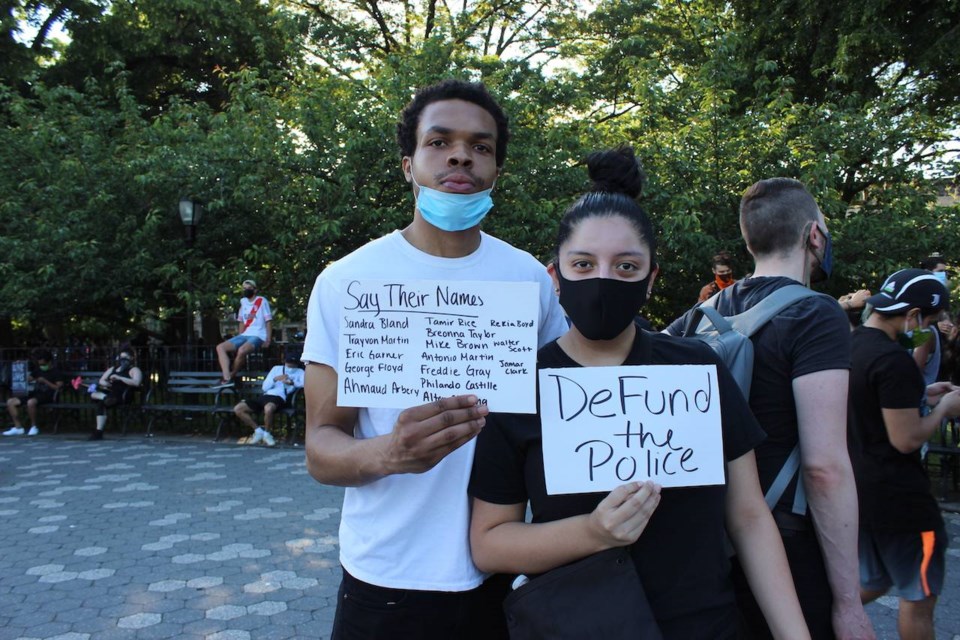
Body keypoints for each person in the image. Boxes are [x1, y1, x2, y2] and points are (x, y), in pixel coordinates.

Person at [469, 147, 809, 639]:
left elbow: (750, 518)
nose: (603, 280)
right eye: (583, 264)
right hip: (579, 626)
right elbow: (490, 542)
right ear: (555, 277)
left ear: (651, 279)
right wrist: (592, 533)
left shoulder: (697, 370)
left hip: (705, 627)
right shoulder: (518, 385)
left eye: (626, 267)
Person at [300, 79, 567, 639]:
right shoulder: (347, 281)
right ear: (408, 165)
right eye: (439, 141)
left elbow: (561, 413)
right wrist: (391, 452)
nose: (461, 155)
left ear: (497, 170)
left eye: (482, 146)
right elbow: (322, 449)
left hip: (505, 574)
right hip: (387, 579)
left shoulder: (529, 282)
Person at [665, 178, 873, 639]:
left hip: (709, 542)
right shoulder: (817, 316)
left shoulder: (698, 316)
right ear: (814, 235)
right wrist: (848, 604)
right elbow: (824, 469)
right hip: (787, 547)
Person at [848, 268, 960, 640]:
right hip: (904, 503)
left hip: (861, 493)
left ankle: (807, 623)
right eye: (928, 320)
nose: (927, 328)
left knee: (874, 579)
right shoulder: (893, 360)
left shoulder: (852, 345)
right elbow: (906, 439)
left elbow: (870, 405)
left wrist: (925, 397)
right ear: (913, 315)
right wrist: (945, 410)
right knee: (919, 596)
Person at [233, 354, 305, 447]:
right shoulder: (276, 369)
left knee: (268, 408)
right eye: (288, 364)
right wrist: (275, 379)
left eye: (293, 365)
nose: (290, 367)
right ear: (285, 362)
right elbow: (265, 387)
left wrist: (292, 382)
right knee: (238, 408)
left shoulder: (300, 372)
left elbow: (304, 384)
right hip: (266, 395)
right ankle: (258, 431)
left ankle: (267, 434)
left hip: (281, 397)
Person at [214, 279, 272, 388]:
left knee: (242, 351)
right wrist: (240, 335)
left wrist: (268, 339)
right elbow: (241, 321)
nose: (246, 290)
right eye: (244, 288)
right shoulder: (243, 302)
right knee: (220, 347)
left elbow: (268, 320)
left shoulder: (261, 301)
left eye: (248, 288)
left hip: (258, 335)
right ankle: (226, 378)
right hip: (245, 334)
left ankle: (231, 376)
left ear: (255, 290)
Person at [4, 350, 63, 436]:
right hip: (35, 393)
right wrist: (20, 368)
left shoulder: (56, 372)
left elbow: (58, 387)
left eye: (43, 364)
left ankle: (33, 426)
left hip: (48, 394)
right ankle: (18, 427)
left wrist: (45, 381)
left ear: (49, 362)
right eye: (40, 364)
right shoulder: (38, 370)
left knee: (31, 402)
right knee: (11, 402)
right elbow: (29, 378)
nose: (42, 366)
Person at [88, 347, 143, 441]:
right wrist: (108, 383)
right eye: (121, 357)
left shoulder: (134, 370)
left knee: (101, 404)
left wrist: (120, 378)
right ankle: (106, 398)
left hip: (123, 394)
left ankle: (98, 432)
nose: (123, 360)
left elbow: (136, 382)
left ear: (131, 358)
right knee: (93, 393)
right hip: (110, 392)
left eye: (125, 357)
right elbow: (102, 380)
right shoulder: (113, 368)